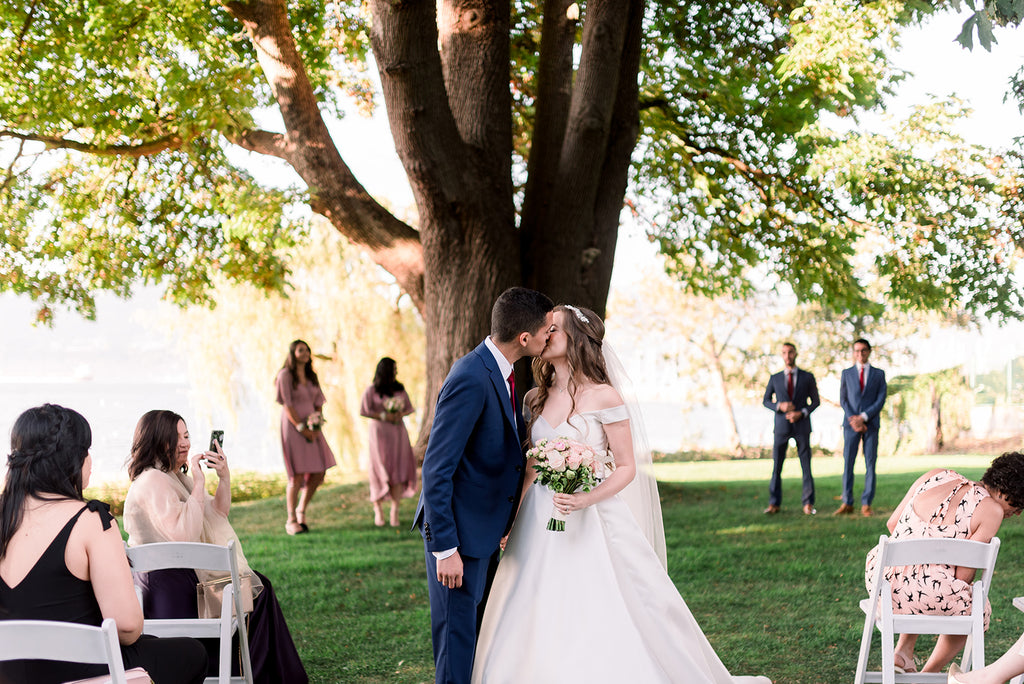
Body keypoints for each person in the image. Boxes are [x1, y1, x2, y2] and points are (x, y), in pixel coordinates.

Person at [471, 305, 771, 684]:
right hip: (537, 519)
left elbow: (627, 466)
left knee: (604, 601)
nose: (544, 335)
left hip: (591, 517)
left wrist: (584, 499)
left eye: (554, 330)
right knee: (530, 601)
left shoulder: (605, 396)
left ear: (576, 341)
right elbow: (531, 468)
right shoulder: (536, 397)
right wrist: (512, 524)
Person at [0, 404, 207, 684]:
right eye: (87, 450)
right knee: (191, 653)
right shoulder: (91, 520)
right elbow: (127, 627)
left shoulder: (5, 517)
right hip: (83, 671)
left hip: (9, 673)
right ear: (72, 458)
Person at [414, 286, 554, 684]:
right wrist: (445, 549)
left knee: (476, 636)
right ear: (525, 339)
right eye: (546, 331)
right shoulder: (472, 376)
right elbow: (436, 468)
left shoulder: (502, 373)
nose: (549, 337)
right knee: (456, 643)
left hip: (483, 530)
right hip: (458, 538)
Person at [123, 409, 308, 684]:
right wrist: (198, 482)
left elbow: (217, 512)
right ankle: (258, 676)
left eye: (186, 435)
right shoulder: (153, 480)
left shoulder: (170, 476)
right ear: (158, 440)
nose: (185, 443)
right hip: (174, 591)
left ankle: (256, 674)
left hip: (176, 585)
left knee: (259, 588)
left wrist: (223, 477)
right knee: (261, 591)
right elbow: (183, 533)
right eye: (176, 437)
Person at [864, 453, 1024, 675]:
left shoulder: (936, 475)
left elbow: (893, 524)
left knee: (927, 577)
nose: (1017, 513)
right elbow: (962, 576)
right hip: (924, 594)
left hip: (883, 582)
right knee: (976, 606)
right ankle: (929, 673)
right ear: (1004, 491)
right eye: (1018, 505)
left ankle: (902, 653)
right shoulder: (991, 509)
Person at [275, 339, 336, 535]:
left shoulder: (312, 376)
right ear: (292, 353)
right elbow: (287, 404)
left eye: (307, 350)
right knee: (297, 474)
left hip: (313, 427)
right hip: (294, 428)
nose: (305, 353)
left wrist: (316, 421)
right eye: (301, 350)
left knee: (319, 472)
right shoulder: (285, 375)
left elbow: (319, 401)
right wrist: (302, 427)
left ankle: (302, 510)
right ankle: (291, 520)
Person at [762, 342, 821, 515]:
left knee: (806, 466)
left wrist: (802, 413)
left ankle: (808, 504)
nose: (787, 356)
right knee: (777, 466)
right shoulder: (775, 378)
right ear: (781, 355)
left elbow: (815, 402)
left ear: (796, 353)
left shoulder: (807, 377)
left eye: (790, 352)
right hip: (781, 427)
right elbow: (766, 401)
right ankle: (774, 504)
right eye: (784, 353)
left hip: (802, 426)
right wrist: (779, 406)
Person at [360, 357, 418, 527]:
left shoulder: (399, 388)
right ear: (385, 370)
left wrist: (399, 414)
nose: (396, 372)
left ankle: (395, 511)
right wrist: (383, 415)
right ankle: (377, 509)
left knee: (398, 468)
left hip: (397, 432)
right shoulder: (372, 390)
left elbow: (408, 408)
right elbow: (364, 410)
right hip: (379, 433)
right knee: (379, 467)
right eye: (393, 369)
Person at [835, 338, 887, 517]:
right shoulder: (846, 373)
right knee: (848, 464)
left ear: (869, 351)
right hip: (850, 426)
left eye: (863, 350)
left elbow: (880, 399)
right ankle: (847, 502)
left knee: (870, 465)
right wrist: (854, 420)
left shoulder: (879, 374)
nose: (860, 354)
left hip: (871, 425)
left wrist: (864, 418)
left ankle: (866, 504)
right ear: (853, 353)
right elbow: (843, 399)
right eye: (857, 351)